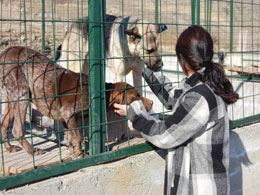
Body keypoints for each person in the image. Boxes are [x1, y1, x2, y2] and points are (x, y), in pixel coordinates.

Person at [113, 25, 239, 195]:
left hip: (199, 189)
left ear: (182, 58)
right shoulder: (206, 84)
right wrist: (146, 66)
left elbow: (164, 135)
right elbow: (172, 96)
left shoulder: (200, 96)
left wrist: (134, 112)